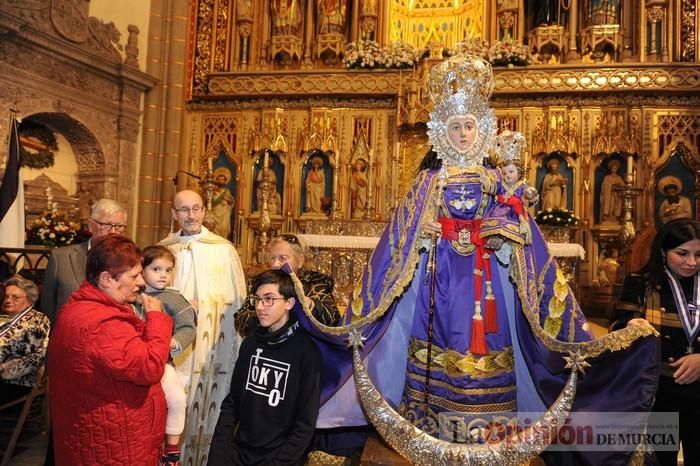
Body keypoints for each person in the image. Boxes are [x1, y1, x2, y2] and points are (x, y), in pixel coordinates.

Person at [297, 54, 660, 464]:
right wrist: (421, 233)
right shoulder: (430, 180)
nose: (464, 133)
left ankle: (491, 423)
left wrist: (506, 225)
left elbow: (517, 226)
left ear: (482, 129)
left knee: (489, 340)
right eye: (456, 126)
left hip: (485, 279)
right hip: (439, 278)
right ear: (442, 133)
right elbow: (402, 229)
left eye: (470, 125)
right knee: (437, 341)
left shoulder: (493, 178)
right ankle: (432, 418)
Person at [48, 235, 172, 466]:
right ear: (106, 279)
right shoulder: (103, 324)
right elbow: (150, 367)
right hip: (116, 446)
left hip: (100, 438)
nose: (141, 283)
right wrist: (157, 319)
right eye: (134, 276)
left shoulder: (80, 308)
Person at [160, 190, 247, 465]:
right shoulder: (165, 248)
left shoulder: (223, 249)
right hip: (173, 343)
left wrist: (204, 305)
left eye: (196, 208)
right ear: (174, 214)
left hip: (210, 347)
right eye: (184, 210)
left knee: (205, 405)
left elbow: (237, 299)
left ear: (204, 211)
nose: (191, 215)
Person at [209, 268, 322, 465]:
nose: (260, 307)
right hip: (239, 453)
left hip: (278, 458)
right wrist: (220, 451)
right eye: (257, 299)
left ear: (289, 303)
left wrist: (279, 462)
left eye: (269, 299)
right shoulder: (251, 343)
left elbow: (305, 423)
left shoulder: (307, 352)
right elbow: (232, 402)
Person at [614, 219, 700, 466]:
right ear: (663, 251)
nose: (691, 262)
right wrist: (630, 326)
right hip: (660, 391)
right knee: (661, 460)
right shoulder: (640, 282)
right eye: (682, 254)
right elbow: (619, 325)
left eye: (698, 254)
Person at [139, 245, 197, 466]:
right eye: (156, 269)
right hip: (135, 362)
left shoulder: (174, 299)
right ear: (141, 269)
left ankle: (171, 452)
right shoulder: (131, 295)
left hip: (161, 362)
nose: (163, 275)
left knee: (177, 399)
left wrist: (174, 343)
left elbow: (188, 328)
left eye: (168, 270)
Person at [40, 198, 128, 323]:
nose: (113, 231)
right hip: (68, 335)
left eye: (119, 226)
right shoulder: (61, 258)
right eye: (107, 225)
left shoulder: (130, 261)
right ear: (91, 226)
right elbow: (48, 308)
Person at [235, 233, 339, 337]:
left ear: (300, 261)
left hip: (305, 346)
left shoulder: (316, 282)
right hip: (268, 344)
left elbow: (333, 319)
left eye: (282, 258)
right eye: (272, 258)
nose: (275, 264)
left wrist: (311, 305)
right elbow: (241, 318)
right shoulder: (263, 282)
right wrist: (269, 316)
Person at [0, 277, 50, 404]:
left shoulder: (36, 322)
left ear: (29, 300)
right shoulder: (9, 319)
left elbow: (25, 359)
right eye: (6, 296)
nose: (8, 300)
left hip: (15, 384)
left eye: (15, 297)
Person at [211, 168, 235, 239]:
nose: (221, 181)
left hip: (224, 214)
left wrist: (229, 200)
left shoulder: (226, 191)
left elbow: (231, 201)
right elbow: (211, 202)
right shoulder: (213, 191)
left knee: (224, 227)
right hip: (215, 213)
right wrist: (220, 198)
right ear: (216, 180)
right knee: (214, 228)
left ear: (225, 181)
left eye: (223, 179)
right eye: (219, 179)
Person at [599, 159, 624, 224]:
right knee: (609, 206)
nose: (614, 169)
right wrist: (610, 186)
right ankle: (607, 217)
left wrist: (617, 187)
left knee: (614, 207)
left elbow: (623, 187)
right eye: (613, 168)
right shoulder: (607, 177)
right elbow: (603, 187)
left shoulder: (618, 178)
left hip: (616, 196)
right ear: (611, 169)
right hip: (608, 196)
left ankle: (614, 217)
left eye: (615, 168)